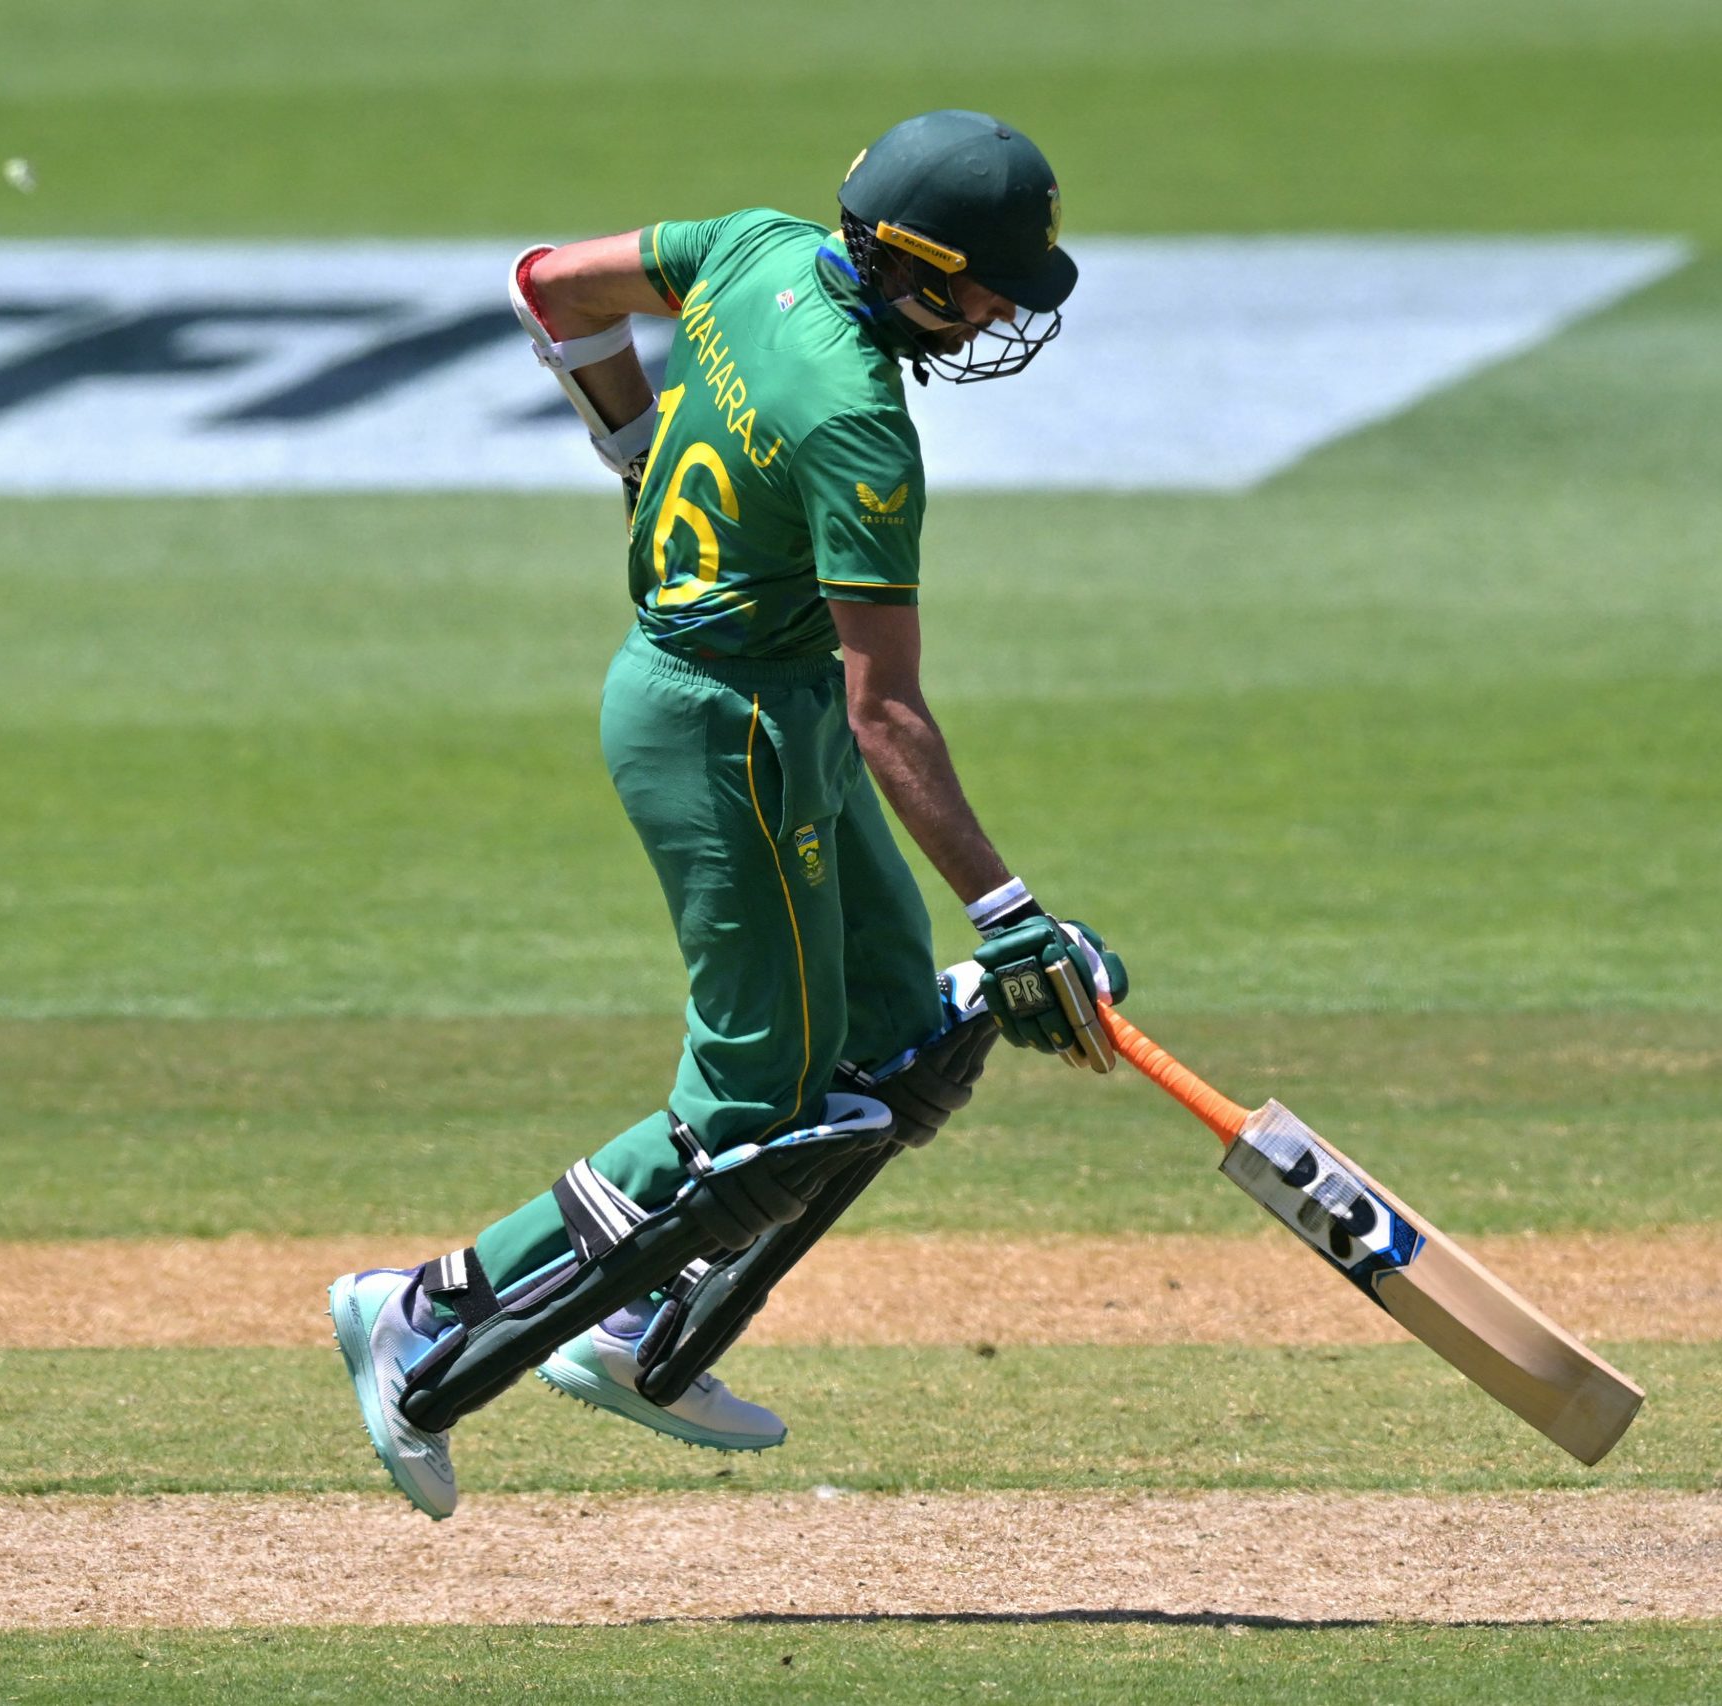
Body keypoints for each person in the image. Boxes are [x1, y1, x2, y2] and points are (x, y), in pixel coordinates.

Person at [328, 110, 1126, 1520]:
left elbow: (549, 286)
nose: (1005, 309)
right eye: (992, 283)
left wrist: (632, 449)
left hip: (773, 704)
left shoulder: (755, 247)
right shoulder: (862, 422)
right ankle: (424, 1307)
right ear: (920, 273)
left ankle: (641, 1330)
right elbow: (892, 717)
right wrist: (1009, 919)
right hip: (730, 733)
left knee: (902, 1045)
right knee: (757, 1112)